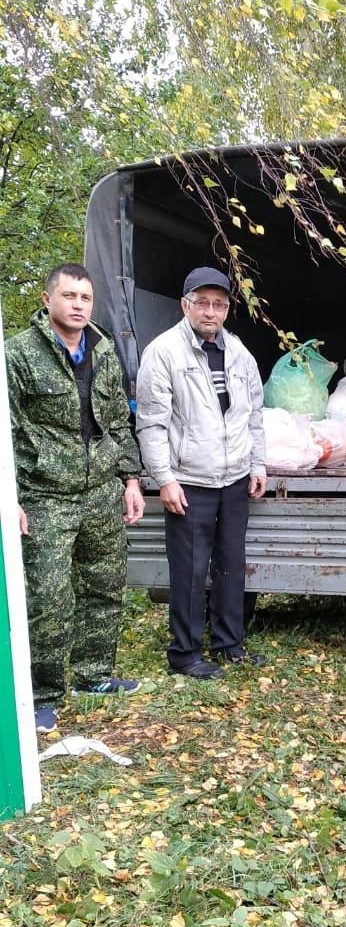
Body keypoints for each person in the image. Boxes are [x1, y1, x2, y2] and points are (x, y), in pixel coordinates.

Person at [6, 263, 145, 733]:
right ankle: (42, 693)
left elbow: (119, 419)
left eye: (85, 298)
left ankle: (94, 675)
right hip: (46, 494)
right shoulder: (18, 356)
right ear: (48, 300)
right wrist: (12, 498)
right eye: (69, 296)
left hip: (102, 491)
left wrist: (130, 480)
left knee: (104, 588)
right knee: (47, 598)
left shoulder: (104, 351)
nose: (78, 305)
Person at [135, 267, 267, 679]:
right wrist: (165, 479)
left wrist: (257, 464)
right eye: (203, 303)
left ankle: (229, 644)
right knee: (190, 569)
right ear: (185, 305)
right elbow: (152, 423)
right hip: (189, 479)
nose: (211, 311)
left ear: (227, 309)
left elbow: (255, 416)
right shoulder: (164, 352)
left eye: (219, 304)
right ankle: (185, 653)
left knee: (231, 563)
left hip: (234, 479)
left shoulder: (239, 352)